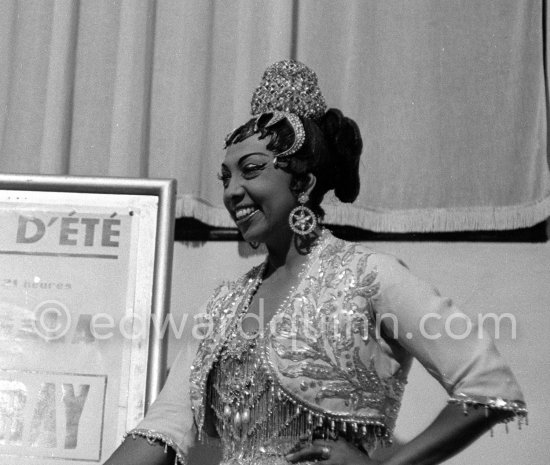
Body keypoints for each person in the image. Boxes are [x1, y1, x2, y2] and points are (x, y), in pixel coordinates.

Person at [105, 60, 527, 465]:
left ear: (303, 182)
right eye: (225, 178)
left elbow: (489, 386)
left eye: (250, 171)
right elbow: (160, 431)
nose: (233, 191)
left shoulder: (368, 276)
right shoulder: (221, 308)